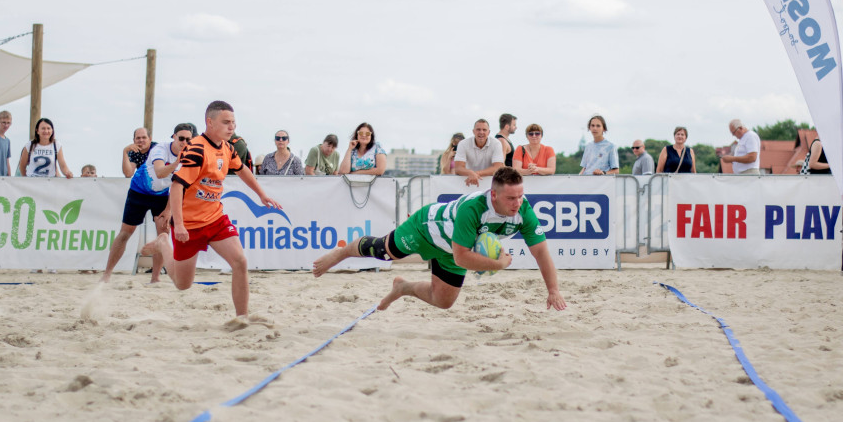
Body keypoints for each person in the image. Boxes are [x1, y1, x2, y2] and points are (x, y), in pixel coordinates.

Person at [313, 167, 566, 312]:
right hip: (425, 230)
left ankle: (403, 288)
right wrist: (499, 264)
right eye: (511, 198)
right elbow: (462, 257)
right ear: (494, 195)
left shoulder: (524, 211)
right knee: (382, 251)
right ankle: (342, 252)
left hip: (455, 247)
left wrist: (553, 290)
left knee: (443, 302)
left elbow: (541, 252)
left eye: (521, 196)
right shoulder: (474, 209)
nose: (518, 203)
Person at [154, 102, 282, 326]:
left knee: (240, 261)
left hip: (215, 218)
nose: (231, 127)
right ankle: (163, 242)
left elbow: (242, 169)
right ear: (210, 122)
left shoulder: (227, 147)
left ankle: (242, 318)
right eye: (226, 122)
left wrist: (261, 195)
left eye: (233, 122)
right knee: (182, 284)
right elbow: (176, 186)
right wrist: (180, 225)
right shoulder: (196, 149)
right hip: (190, 224)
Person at [101, 124, 195, 284]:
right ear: (174, 137)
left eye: (188, 139)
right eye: (181, 138)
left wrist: (169, 210)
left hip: (162, 195)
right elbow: (159, 172)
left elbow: (178, 186)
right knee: (125, 233)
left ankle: (155, 278)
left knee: (162, 235)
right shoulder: (160, 149)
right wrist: (177, 163)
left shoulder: (190, 157)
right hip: (139, 191)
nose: (184, 142)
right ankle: (107, 274)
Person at [455, 119, 504, 186]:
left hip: (490, 184)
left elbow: (498, 168)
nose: (481, 132)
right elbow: (458, 168)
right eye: (478, 129)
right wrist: (470, 173)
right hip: (468, 183)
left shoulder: (496, 143)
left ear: (488, 132)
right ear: (473, 131)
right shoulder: (463, 143)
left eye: (484, 130)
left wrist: (474, 174)